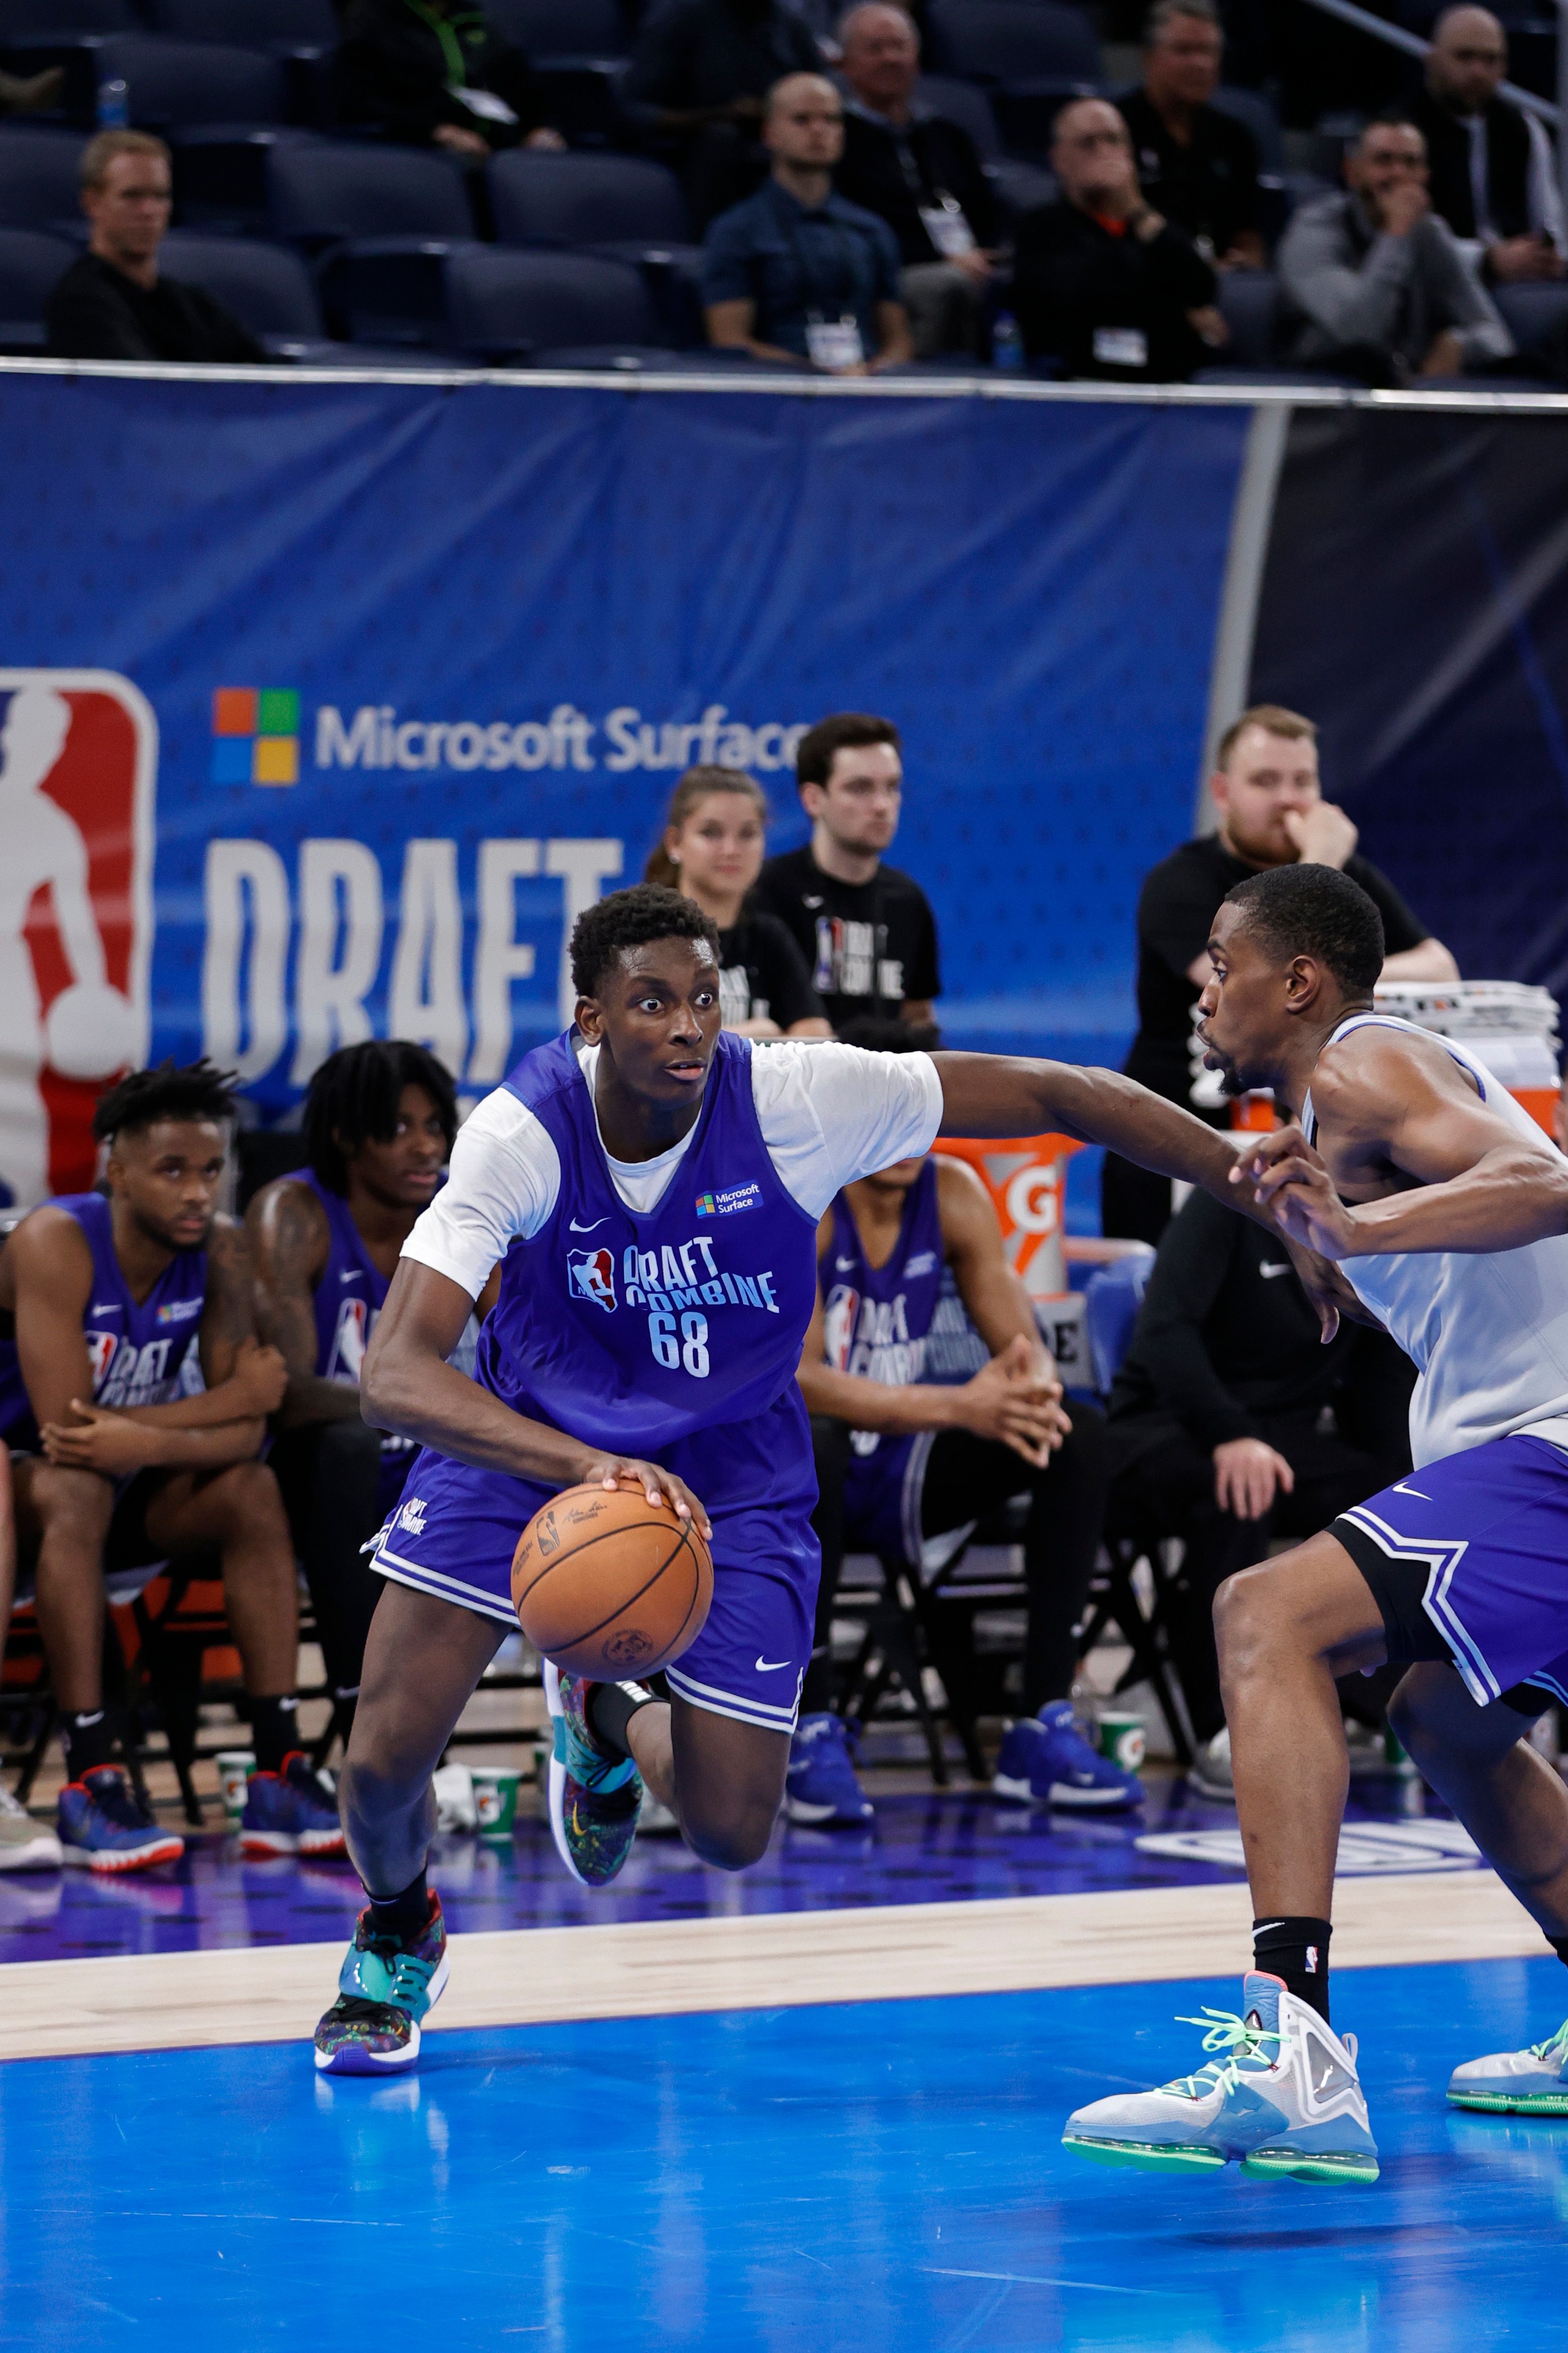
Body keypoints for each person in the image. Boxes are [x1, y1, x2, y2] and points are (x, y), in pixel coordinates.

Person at [312, 881, 1269, 2075]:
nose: (685, 1025)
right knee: (384, 1756)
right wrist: (589, 1468)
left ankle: (602, 1713)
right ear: (589, 1020)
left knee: (727, 1828)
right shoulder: (521, 1130)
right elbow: (394, 1377)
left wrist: (1251, 1183)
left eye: (704, 998)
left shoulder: (797, 1099)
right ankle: (397, 1932)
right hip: (536, 1437)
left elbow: (1053, 1094)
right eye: (650, 1001)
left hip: (730, 1457)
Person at [1064, 861, 1568, 2182]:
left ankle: (1291, 2049)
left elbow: (1542, 1176)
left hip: (1555, 1446)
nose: (1198, 974)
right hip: (1526, 1443)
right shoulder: (1334, 1101)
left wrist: (1359, 1219)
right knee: (1441, 1716)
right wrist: (1338, 1238)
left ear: (1299, 979)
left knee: (1264, 1612)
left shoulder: (1363, 1059)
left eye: (1223, 955)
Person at [0, 1062, 341, 1870]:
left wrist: (150, 1439)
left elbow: (249, 1428)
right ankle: (92, 1775)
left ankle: (278, 1763)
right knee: (79, 1486)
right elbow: (67, 1432)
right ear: (117, 1172)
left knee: (252, 1491)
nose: (198, 1192)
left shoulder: (221, 1251)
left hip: (124, 1489)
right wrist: (212, 1411)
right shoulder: (55, 1239)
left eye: (212, 1170)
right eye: (172, 1171)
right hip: (28, 1489)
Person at [789, 1019, 1127, 1828]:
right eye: (886, 1111)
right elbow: (795, 1382)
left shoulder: (954, 1195)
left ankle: (1038, 1721)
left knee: (1072, 1435)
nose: (907, 1132)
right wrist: (961, 1405)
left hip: (908, 1465)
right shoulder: (808, 1201)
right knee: (816, 1441)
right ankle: (811, 1725)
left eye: (917, 1110)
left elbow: (1024, 1355)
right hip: (808, 1475)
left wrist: (1029, 1388)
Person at [1104, 702, 1457, 1246]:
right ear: (1223, 793)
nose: (1289, 799)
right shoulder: (1180, 883)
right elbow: (1257, 984)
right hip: (1175, 1143)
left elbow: (1440, 969)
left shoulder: (1342, 872)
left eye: (1303, 781)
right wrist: (1320, 864)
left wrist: (1346, 971)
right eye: (1266, 781)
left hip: (1293, 1146)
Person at [1107, 1184, 1413, 1788]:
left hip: (1279, 1439)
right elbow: (1165, 1331)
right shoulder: (1230, 1200)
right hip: (1167, 1423)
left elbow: (1379, 1378)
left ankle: (1379, 1704)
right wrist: (1229, 1433)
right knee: (1241, 1491)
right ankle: (1222, 1726)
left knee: (1395, 1502)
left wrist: (1409, 1476)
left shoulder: (1373, 1226)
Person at [247, 1043, 462, 1745]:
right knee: (342, 1448)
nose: (425, 1145)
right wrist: (431, 1410)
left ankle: (606, 1728)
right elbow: (290, 1395)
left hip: (431, 1474)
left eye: (434, 1125)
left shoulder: (460, 1213)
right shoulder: (295, 1213)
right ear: (345, 1135)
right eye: (398, 1127)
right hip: (322, 1482)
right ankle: (365, 1716)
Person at [0, 684, 141, 1207]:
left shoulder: (55, 829)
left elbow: (79, 923)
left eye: (54, 742)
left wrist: (92, 997)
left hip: (10, 979)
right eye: (37, 737)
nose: (45, 751)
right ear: (11, 736)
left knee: (27, 1127)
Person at [1277, 112, 1513, 383]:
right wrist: (1395, 233)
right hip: (1320, 394)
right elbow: (1357, 329)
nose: (1399, 174)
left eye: (1411, 163)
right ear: (1351, 172)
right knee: (1363, 359)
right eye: (1383, 160)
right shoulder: (1314, 229)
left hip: (1408, 394)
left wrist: (1459, 343)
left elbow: (1498, 338)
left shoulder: (1429, 233)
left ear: (1425, 176)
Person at [702, 73, 912, 370]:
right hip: (779, 392)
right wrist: (818, 374)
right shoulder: (736, 230)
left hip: (865, 388)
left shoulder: (871, 229)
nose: (819, 130)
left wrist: (876, 370)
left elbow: (898, 340)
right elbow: (730, 342)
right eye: (802, 120)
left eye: (831, 120)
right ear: (770, 133)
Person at [1013, 97, 1227, 382]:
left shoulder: (1151, 222)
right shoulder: (1041, 227)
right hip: (1084, 380)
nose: (1104, 152)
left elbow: (1202, 288)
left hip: (1167, 381)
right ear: (1059, 159)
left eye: (1114, 140)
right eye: (1088, 143)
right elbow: (1073, 299)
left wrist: (1134, 209)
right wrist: (1177, 313)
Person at [751, 713, 939, 1032]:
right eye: (860, 788)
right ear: (814, 799)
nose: (882, 805)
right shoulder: (766, 892)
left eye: (892, 787)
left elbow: (918, 1017)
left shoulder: (908, 900)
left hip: (885, 1080)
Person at [833, 3, 999, 358]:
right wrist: (943, 259)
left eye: (899, 46)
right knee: (948, 284)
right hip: (893, 274)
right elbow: (856, 230)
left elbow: (987, 210)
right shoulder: (837, 139)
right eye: (875, 48)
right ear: (845, 64)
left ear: (918, 59)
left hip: (968, 263)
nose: (890, 58)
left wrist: (984, 253)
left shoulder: (948, 135)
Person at [46, 132, 271, 367]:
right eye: (132, 196)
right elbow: (146, 390)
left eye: (160, 196)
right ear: (92, 202)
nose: (149, 211)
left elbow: (265, 375)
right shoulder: (80, 301)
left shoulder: (188, 301)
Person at [644, 766, 830, 1037]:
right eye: (711, 833)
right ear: (675, 843)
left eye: (747, 834)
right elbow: (643, 1040)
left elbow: (816, 1033)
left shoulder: (768, 937)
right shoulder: (644, 937)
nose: (731, 850)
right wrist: (755, 1033)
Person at [622, 0, 825, 233]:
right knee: (721, 138)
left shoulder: (789, 26)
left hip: (773, 144)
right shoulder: (683, 16)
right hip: (695, 150)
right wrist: (721, 115)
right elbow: (632, 111)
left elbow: (820, 93)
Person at [1410, 7, 1564, 287]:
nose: (1478, 71)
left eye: (1491, 60)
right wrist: (1487, 261)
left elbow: (1549, 220)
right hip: (1434, 285)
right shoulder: (1403, 133)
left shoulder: (1524, 128)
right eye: (1465, 57)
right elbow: (1397, 239)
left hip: (1522, 282)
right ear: (1432, 59)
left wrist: (1547, 255)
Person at [1118, 0, 1265, 271]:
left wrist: (1244, 263)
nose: (1200, 64)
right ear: (1148, 57)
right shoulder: (1117, 130)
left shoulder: (1236, 138)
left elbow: (1249, 237)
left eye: (1208, 52)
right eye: (1184, 50)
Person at [333, 0, 563, 154]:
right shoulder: (371, 21)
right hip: (421, 153)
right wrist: (434, 130)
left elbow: (527, 89)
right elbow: (359, 102)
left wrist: (541, 128)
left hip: (501, 153)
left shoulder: (477, 17)